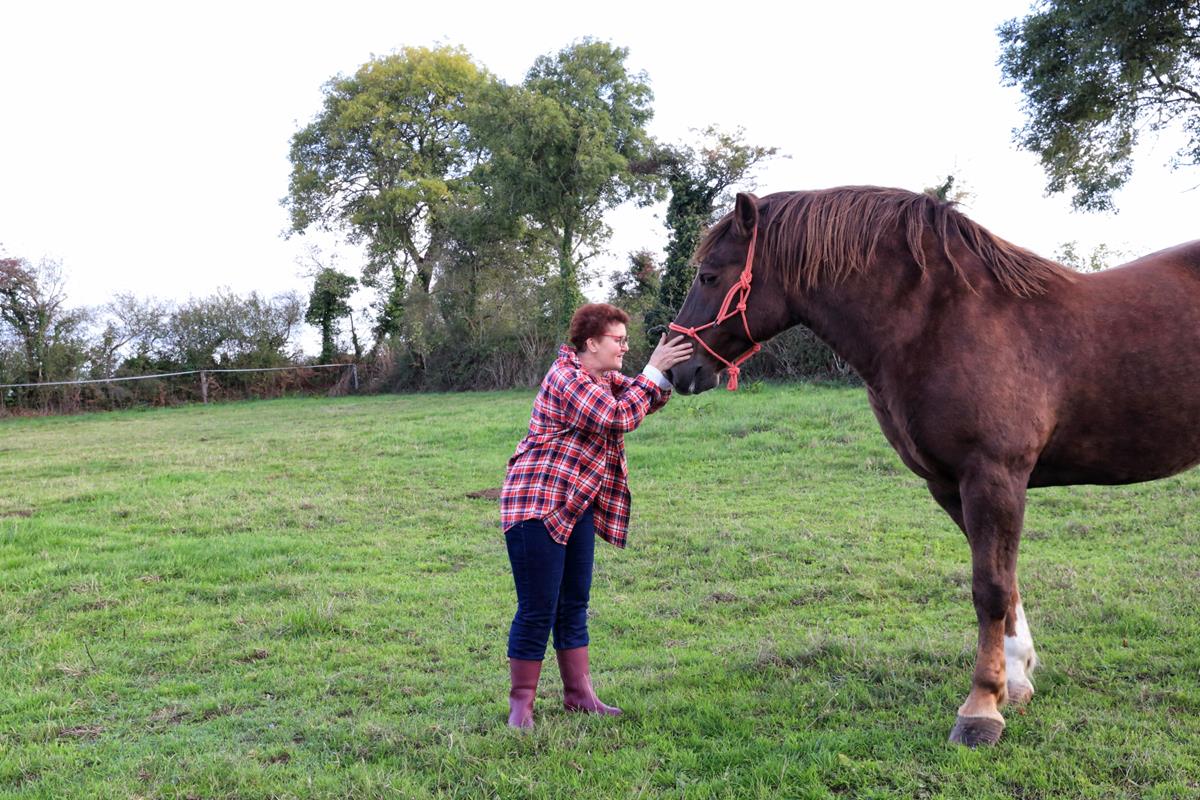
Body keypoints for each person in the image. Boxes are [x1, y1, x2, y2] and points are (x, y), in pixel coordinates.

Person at [499, 303, 694, 729]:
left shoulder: (601, 378)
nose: (625, 347)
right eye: (618, 340)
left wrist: (661, 371)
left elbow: (646, 398)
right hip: (537, 505)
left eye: (626, 341)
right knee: (538, 608)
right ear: (591, 343)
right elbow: (617, 417)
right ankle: (521, 708)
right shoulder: (567, 377)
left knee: (574, 604)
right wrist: (651, 370)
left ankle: (579, 695)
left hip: (576, 503)